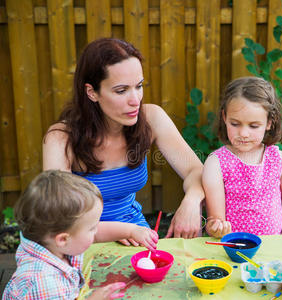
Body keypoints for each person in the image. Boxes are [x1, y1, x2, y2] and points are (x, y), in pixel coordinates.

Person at [42, 38, 204, 244]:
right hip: (78, 240)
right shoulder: (60, 138)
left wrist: (191, 201)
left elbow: (195, 170)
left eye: (139, 86)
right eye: (121, 90)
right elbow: (61, 220)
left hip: (135, 233)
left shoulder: (151, 118)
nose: (135, 100)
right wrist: (122, 231)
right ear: (92, 92)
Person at [2, 170, 158, 300]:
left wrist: (131, 230)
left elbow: (97, 234)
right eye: (91, 228)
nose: (96, 230)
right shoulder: (46, 284)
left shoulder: (46, 240)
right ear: (63, 239)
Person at [203, 76, 282, 238]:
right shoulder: (216, 163)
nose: (243, 133)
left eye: (254, 126)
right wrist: (216, 228)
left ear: (270, 122)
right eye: (235, 124)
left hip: (274, 250)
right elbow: (215, 220)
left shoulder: (280, 161)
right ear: (224, 117)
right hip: (234, 250)